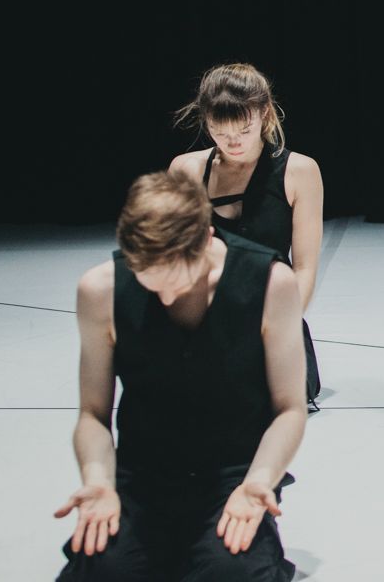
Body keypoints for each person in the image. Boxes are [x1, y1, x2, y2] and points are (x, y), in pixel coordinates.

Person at [54, 171, 306, 581]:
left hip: (233, 474)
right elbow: (93, 414)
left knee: (231, 573)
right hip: (143, 476)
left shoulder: (270, 282)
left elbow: (290, 409)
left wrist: (259, 481)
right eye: (151, 285)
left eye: (178, 282)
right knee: (105, 572)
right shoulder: (99, 289)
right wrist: (98, 479)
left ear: (206, 238)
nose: (167, 298)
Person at [170, 63, 325, 409]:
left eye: (244, 129)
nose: (233, 142)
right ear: (206, 121)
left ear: (264, 113)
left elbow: (304, 270)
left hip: (273, 319)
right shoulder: (186, 169)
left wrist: (276, 330)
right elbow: (176, 261)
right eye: (219, 131)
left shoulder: (299, 171)